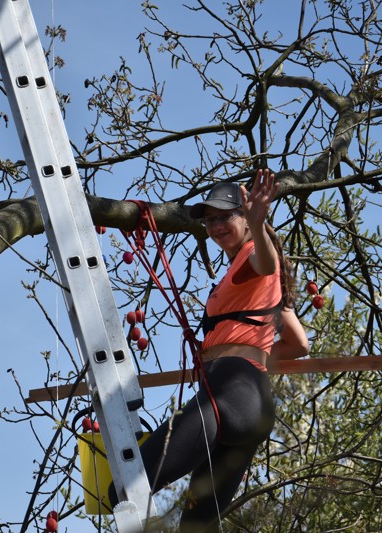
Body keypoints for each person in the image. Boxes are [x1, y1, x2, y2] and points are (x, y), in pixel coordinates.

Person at [110, 169, 309, 532]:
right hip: (253, 401)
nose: (216, 226)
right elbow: (299, 344)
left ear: (246, 219)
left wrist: (259, 223)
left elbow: (263, 262)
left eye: (225, 217)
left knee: (123, 488)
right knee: (195, 528)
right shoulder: (268, 286)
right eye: (211, 220)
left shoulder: (254, 257)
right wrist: (256, 356)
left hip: (228, 390)